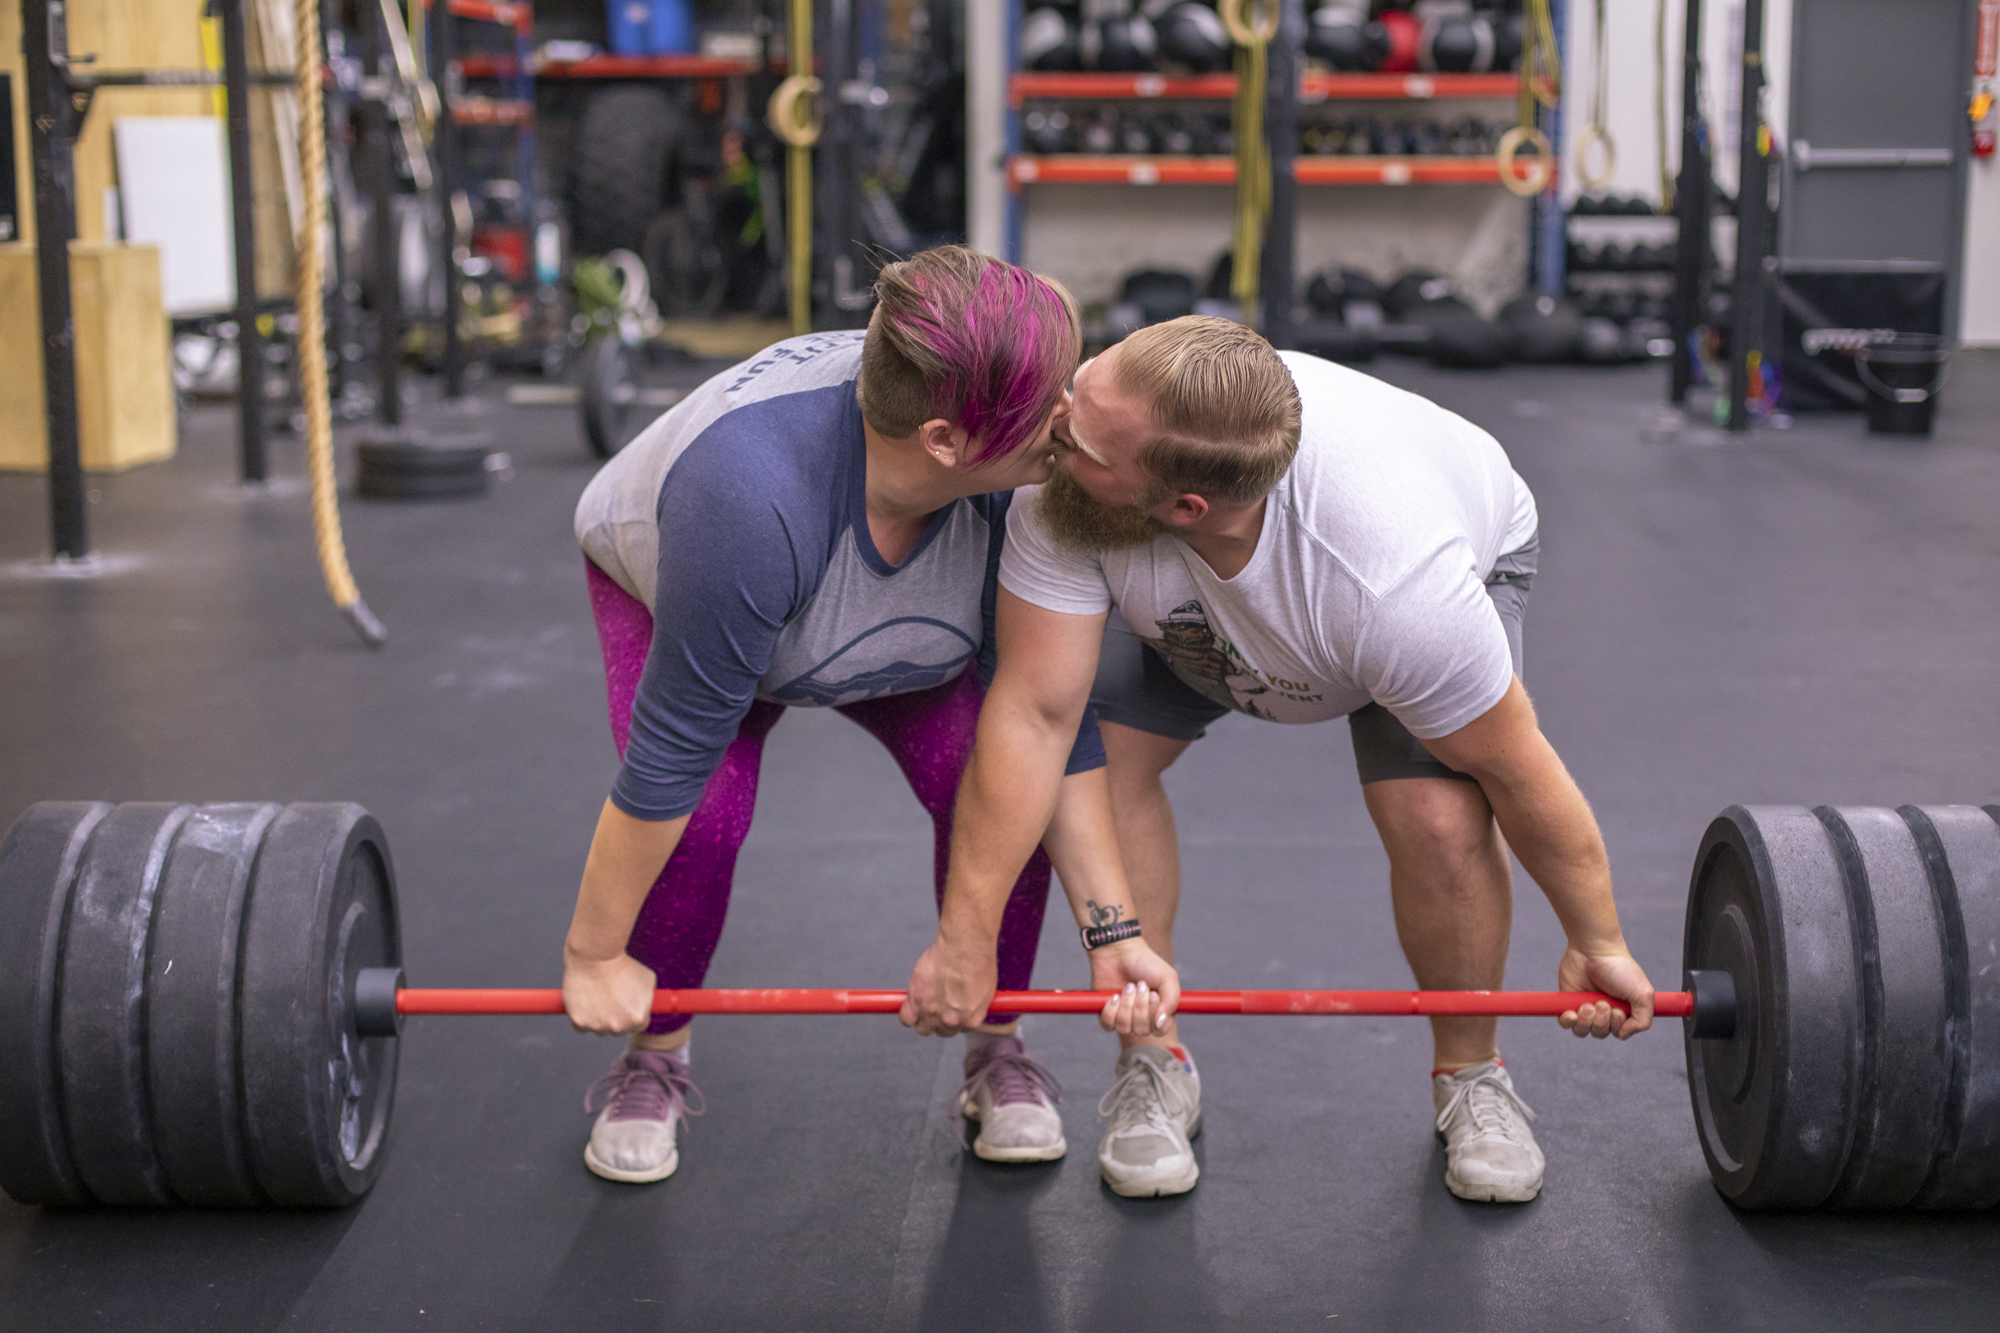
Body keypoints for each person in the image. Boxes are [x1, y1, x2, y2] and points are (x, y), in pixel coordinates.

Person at [902, 315, 1657, 1203]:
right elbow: (1035, 715)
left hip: (1352, 616)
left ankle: (1470, 1074)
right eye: (1084, 383)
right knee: (1105, 764)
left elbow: (1518, 771)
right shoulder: (1075, 474)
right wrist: (969, 936)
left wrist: (1596, 937)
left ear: (1183, 505)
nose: (1054, 423)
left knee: (1441, 816)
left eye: (1085, 436)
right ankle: (1153, 1058)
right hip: (1194, 600)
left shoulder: (1396, 586)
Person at [560, 246, 1179, 1185]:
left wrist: (1112, 928)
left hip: (905, 616)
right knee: (705, 818)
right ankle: (654, 1053)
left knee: (988, 783)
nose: (1072, 420)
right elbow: (668, 761)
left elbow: (1056, 725)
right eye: (1047, 404)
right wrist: (593, 953)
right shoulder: (747, 501)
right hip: (702, 595)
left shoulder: (1026, 488)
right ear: (945, 439)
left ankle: (994, 1039)